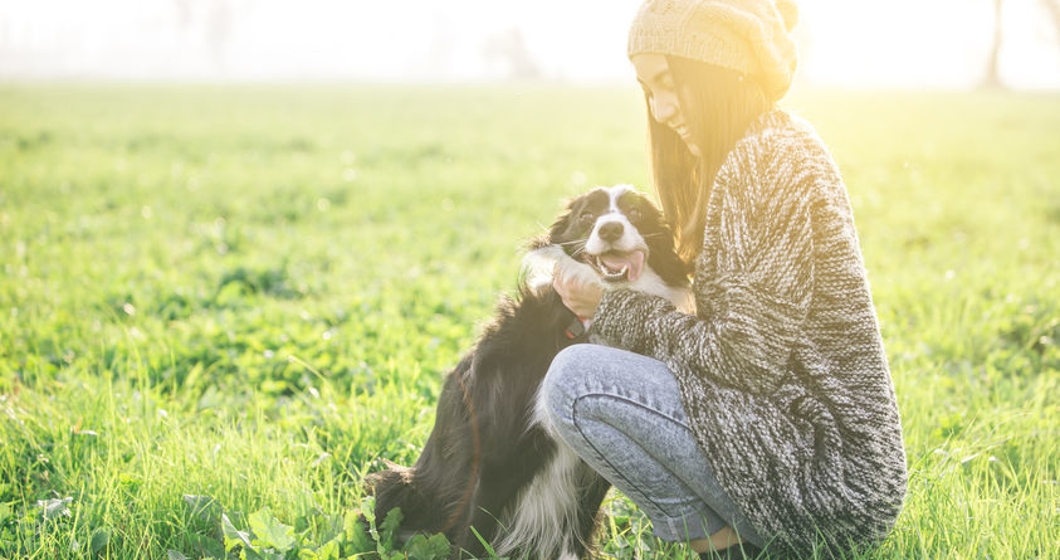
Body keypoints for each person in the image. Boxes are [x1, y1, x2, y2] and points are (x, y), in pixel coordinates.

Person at [541, 0, 908, 558]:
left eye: (668, 83)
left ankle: (723, 547)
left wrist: (609, 308)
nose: (660, 108)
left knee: (576, 380)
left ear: (716, 68)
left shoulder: (764, 162)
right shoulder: (770, 145)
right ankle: (730, 544)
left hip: (828, 480)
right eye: (647, 91)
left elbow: (745, 360)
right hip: (817, 457)